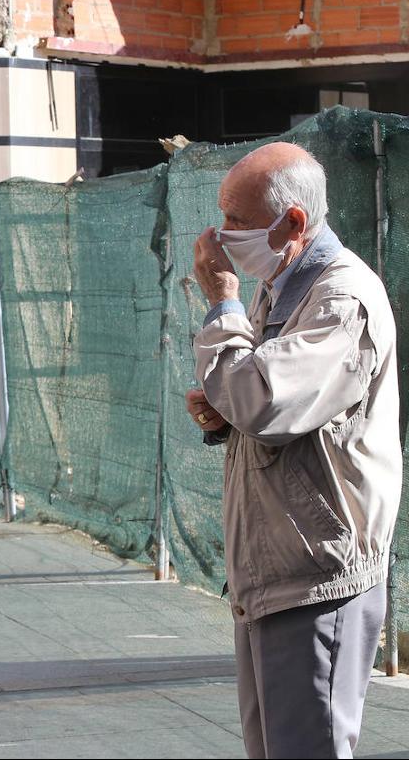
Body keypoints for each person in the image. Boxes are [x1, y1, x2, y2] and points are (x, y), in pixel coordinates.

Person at [188, 142, 400, 759]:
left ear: (295, 224)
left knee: (308, 749)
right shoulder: (282, 284)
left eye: (236, 221)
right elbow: (264, 400)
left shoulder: (340, 299)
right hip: (275, 567)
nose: (220, 237)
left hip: (319, 574)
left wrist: (223, 307)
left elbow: (265, 402)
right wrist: (221, 412)